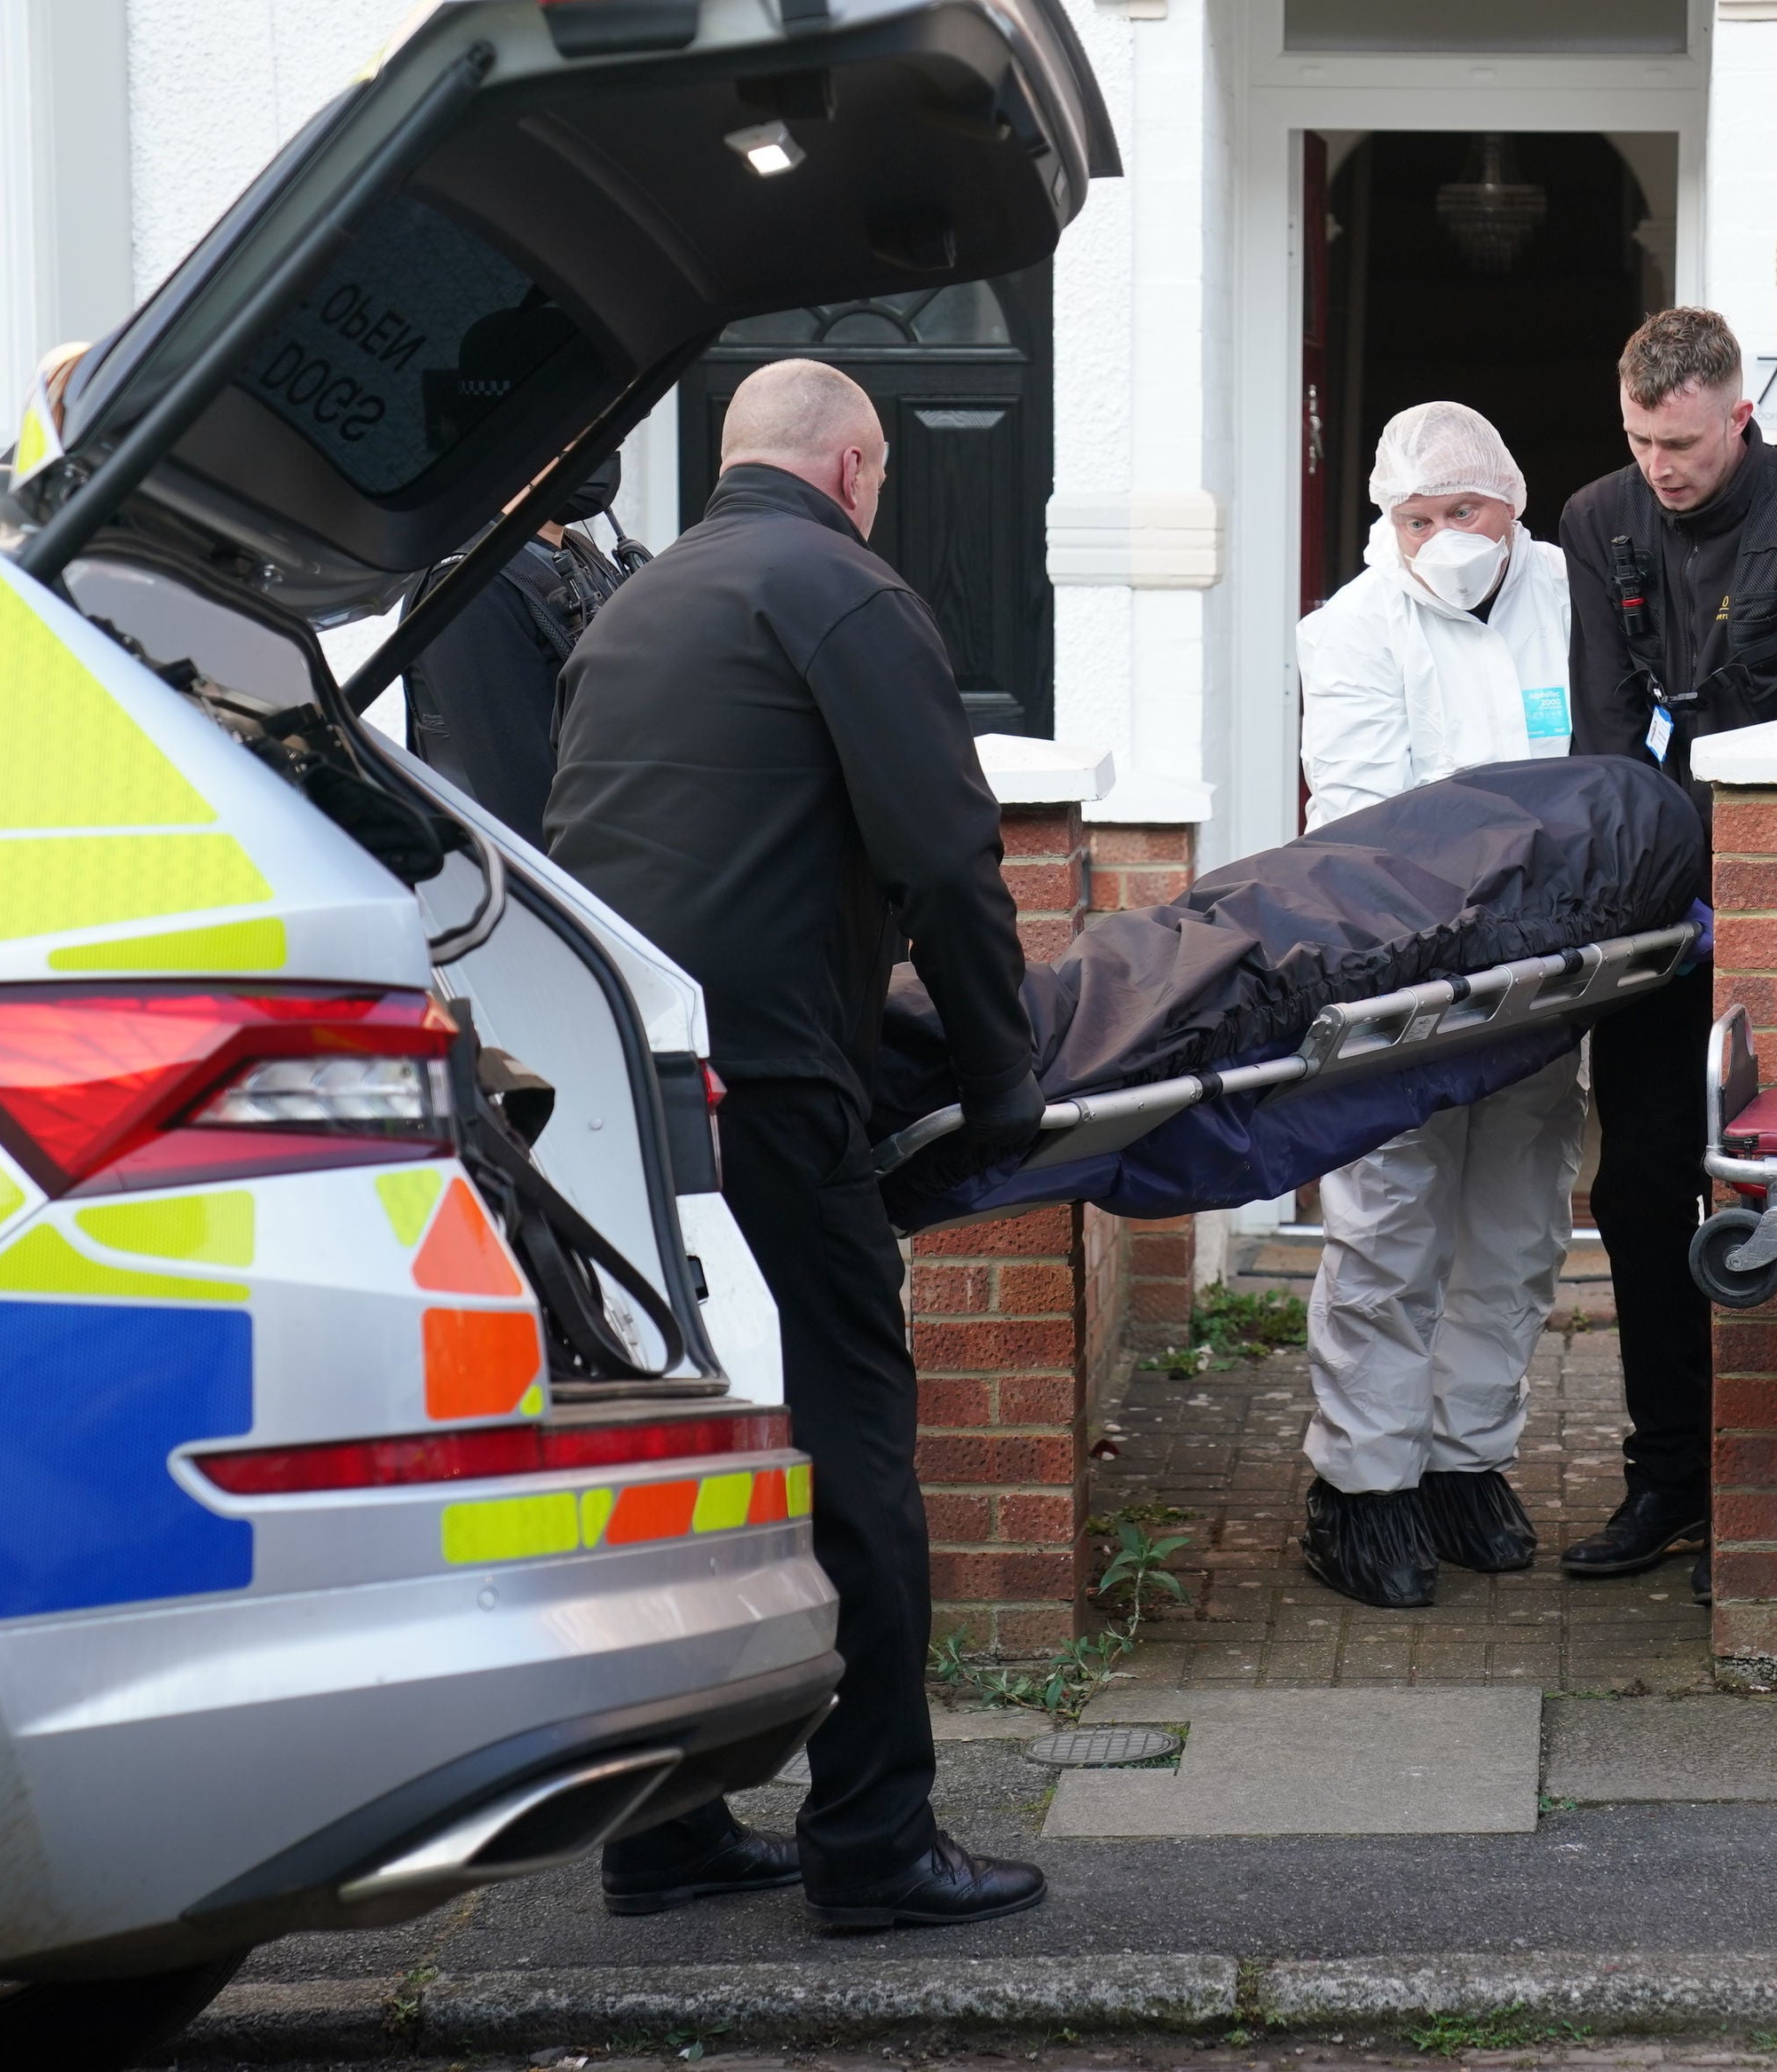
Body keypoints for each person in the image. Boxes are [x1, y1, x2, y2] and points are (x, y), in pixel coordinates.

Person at [545, 358, 1048, 1930]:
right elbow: (949, 855)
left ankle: (665, 1830)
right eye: (882, 474)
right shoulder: (842, 590)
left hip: (613, 1101)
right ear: (849, 467)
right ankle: (876, 1843)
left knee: (684, 1459)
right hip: (768, 1088)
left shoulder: (631, 606)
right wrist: (1002, 1074)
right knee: (856, 1457)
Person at [1561, 308, 1777, 1601]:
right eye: (1642, 438)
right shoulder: (1599, 522)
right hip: (1656, 909)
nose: (1662, 464)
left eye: (1684, 441)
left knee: (1769, 1195)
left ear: (1738, 413)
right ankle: (1666, 1476)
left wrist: (1752, 906)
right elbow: (1603, 738)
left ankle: (1769, 1495)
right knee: (1638, 1191)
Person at [1293, 400, 1589, 1610]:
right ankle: (1360, 1486)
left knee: (1516, 1222)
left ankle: (1466, 1457)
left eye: (1461, 509)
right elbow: (1360, 800)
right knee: (1388, 1223)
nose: (1441, 535)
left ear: (1508, 501)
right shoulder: (1350, 628)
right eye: (1415, 516)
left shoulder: (1569, 592)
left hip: (1553, 959)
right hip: (1401, 961)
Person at [401, 448, 646, 847]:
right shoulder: (471, 586)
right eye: (577, 441)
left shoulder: (576, 550)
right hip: (530, 880)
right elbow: (516, 791)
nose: (599, 455)